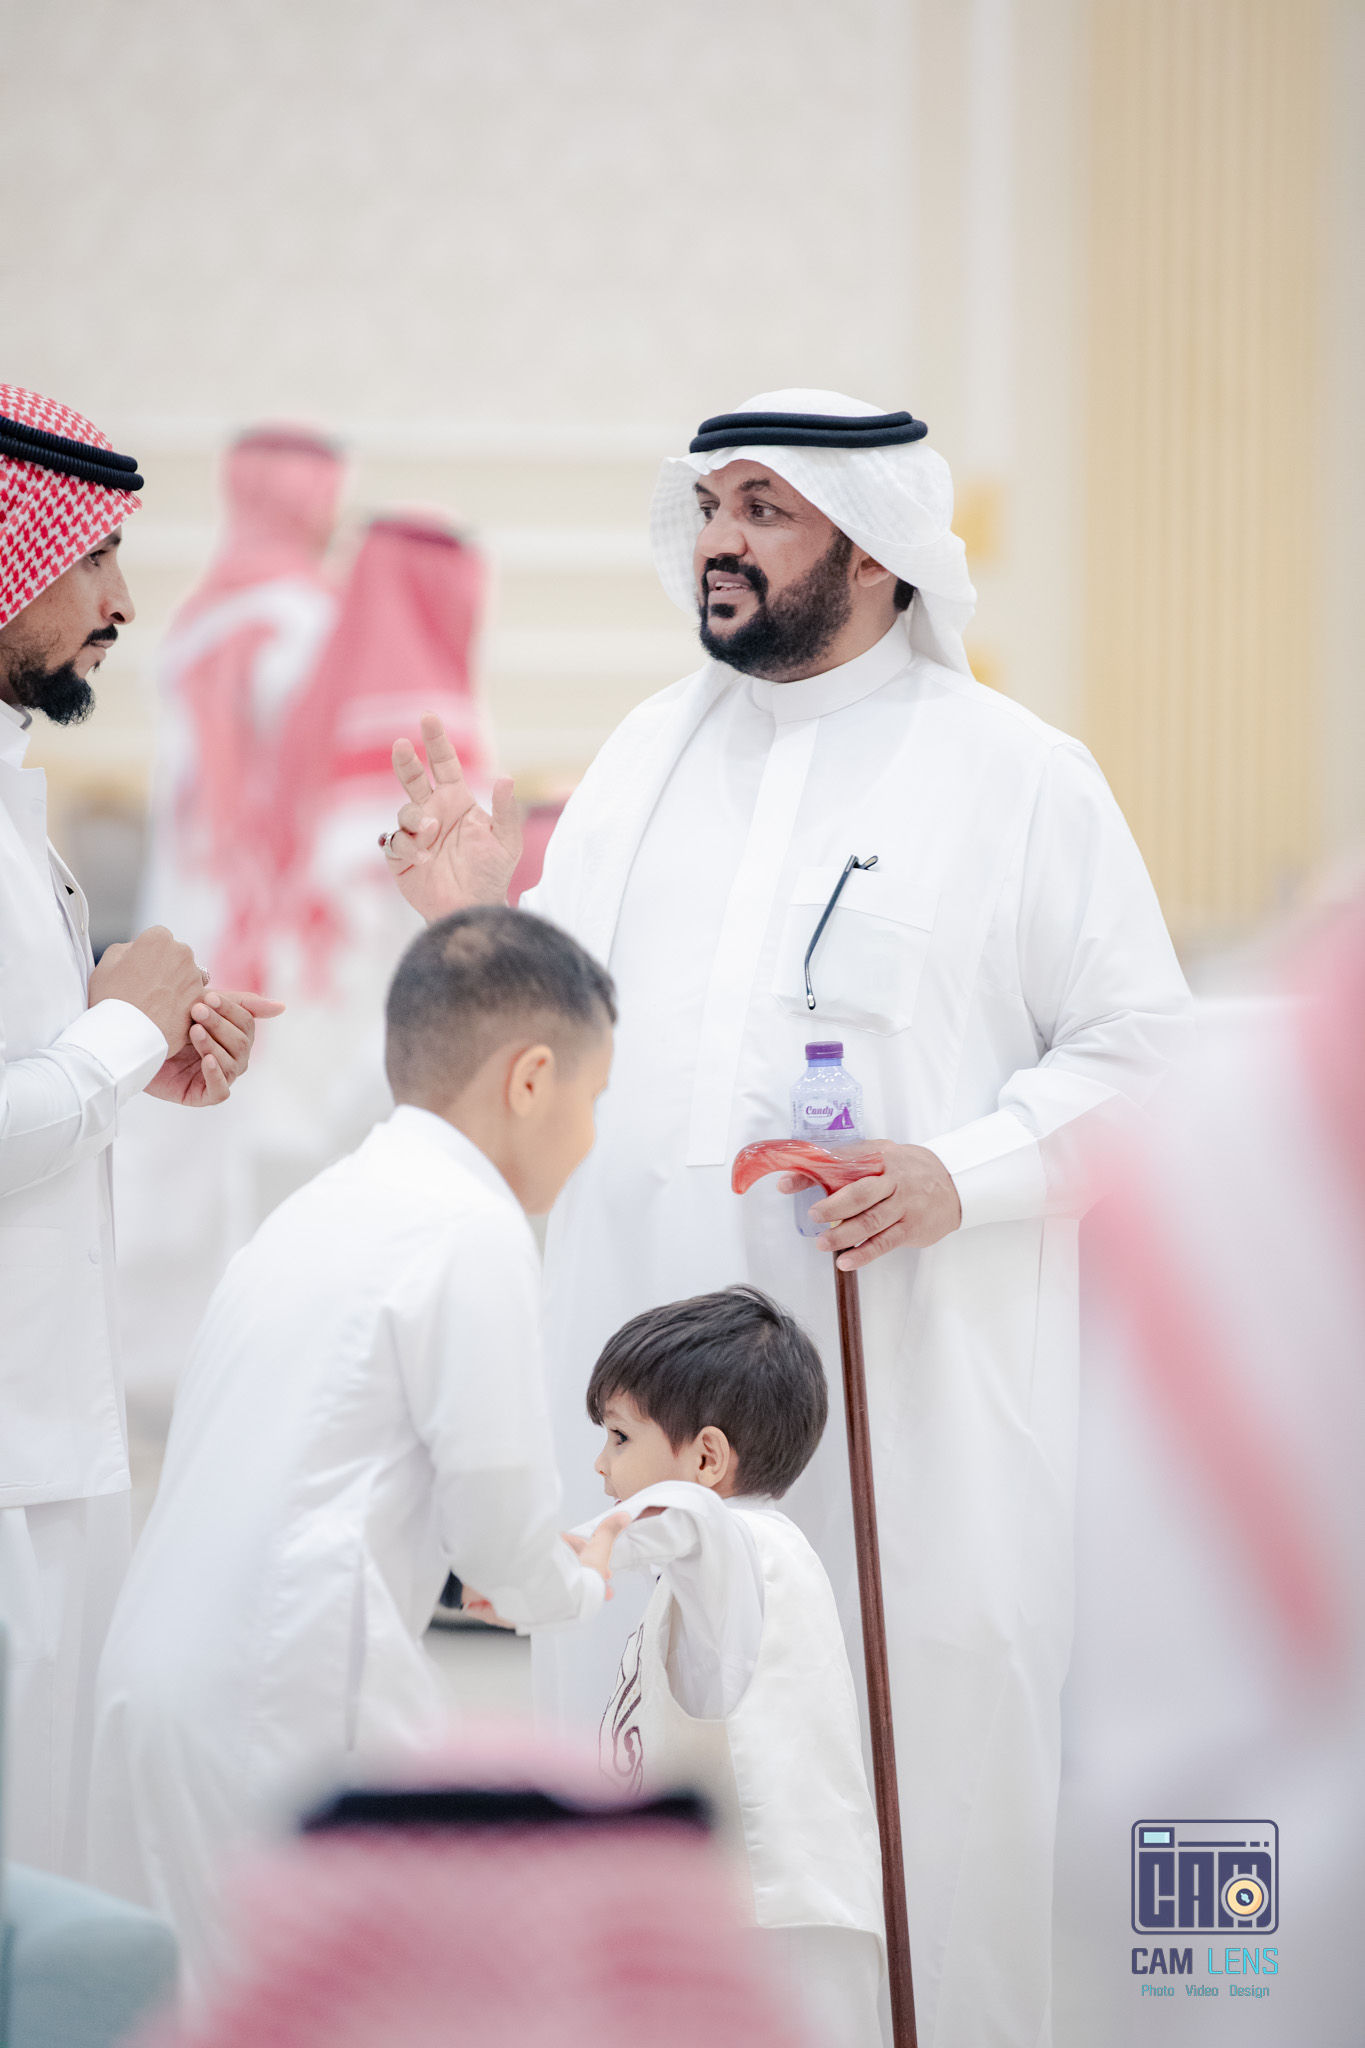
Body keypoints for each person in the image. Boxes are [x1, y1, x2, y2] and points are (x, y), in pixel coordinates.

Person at [379, 389, 1193, 2046]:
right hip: (640, 1377)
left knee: (910, 1772)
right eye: (710, 507)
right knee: (648, 1755)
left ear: (876, 547)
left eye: (765, 509)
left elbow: (1143, 1055)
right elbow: (545, 1041)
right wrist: (469, 913)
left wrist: (963, 1170)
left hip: (902, 1390)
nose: (720, 542)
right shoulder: (640, 759)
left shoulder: (1017, 778)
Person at [88, 907, 618, 1990]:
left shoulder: (320, 1206)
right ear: (531, 1080)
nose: (593, 1136)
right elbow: (500, 1521)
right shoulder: (470, 1226)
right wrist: (580, 1578)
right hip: (284, 1693)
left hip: (155, 1681)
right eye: (594, 1097)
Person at [0, 385, 278, 1876]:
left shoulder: (13, 796)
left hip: (50, 1445)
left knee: (53, 1888)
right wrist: (120, 1030)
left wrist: (135, 1046)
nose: (121, 603)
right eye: (91, 556)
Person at [576, 1286, 884, 2048]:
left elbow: (687, 1518)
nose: (600, 1464)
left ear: (707, 1458)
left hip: (771, 1927)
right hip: (747, 1920)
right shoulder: (721, 1571)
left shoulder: (739, 1544)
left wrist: (583, 1552)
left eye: (619, 1436)